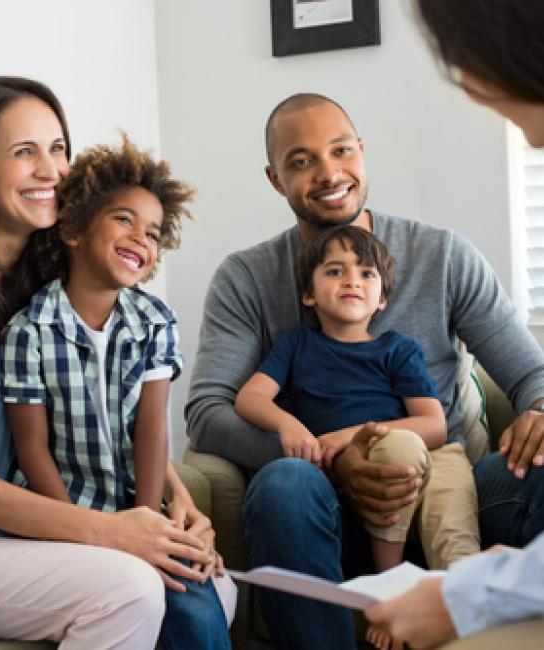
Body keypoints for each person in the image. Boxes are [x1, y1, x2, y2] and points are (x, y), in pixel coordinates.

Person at [186, 89, 544, 648]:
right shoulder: (247, 278)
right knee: (285, 483)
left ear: (362, 152)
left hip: (446, 487)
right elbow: (208, 413)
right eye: (301, 161)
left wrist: (541, 411)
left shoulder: (443, 256)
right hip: (318, 509)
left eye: (341, 151)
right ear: (275, 179)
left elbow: (530, 376)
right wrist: (331, 460)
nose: (330, 173)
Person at [0, 76, 230, 649]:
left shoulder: (46, 284)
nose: (50, 170)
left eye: (58, 149)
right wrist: (111, 532)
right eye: (25, 152)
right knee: (131, 587)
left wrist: (177, 502)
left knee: (212, 588)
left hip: (6, 529)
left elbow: (107, 413)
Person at [0, 138, 234, 650]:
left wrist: (149, 526)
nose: (140, 238)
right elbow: (31, 448)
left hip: (134, 507)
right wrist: (79, 532)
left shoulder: (154, 323)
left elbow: (151, 430)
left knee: (192, 590)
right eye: (124, 220)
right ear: (74, 229)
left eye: (152, 232)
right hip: (57, 511)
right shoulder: (29, 330)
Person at [364, 2, 544, 648]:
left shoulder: (439, 257)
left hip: (445, 460)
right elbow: (220, 410)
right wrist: (323, 449)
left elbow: (528, 374)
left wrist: (469, 592)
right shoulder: (259, 289)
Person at [235, 225, 480, 649]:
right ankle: (385, 595)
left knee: (409, 462)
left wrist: (348, 436)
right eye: (335, 271)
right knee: (317, 470)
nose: (352, 280)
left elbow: (433, 424)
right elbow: (250, 398)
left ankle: (411, 598)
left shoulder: (396, 349)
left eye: (367, 274)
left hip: (409, 464)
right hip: (338, 495)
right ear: (308, 295)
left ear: (382, 298)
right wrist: (288, 424)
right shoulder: (297, 345)